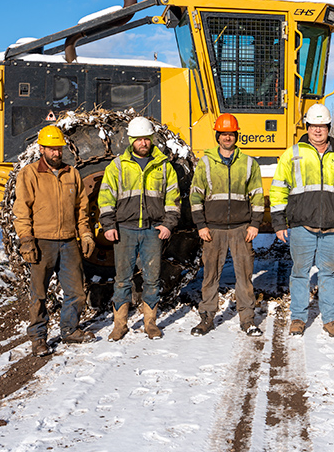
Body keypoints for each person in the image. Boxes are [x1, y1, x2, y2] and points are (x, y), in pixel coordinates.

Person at [270, 104, 334, 338]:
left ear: (329, 128)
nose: (317, 130)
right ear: (307, 127)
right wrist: (279, 223)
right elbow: (278, 188)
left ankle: (330, 319)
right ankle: (298, 318)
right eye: (313, 126)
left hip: (333, 227)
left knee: (329, 273)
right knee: (300, 273)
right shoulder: (293, 153)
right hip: (302, 226)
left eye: (322, 126)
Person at [13, 125, 97, 357]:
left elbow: (82, 207)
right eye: (52, 149)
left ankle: (70, 330)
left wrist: (86, 233)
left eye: (59, 149)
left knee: (77, 292)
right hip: (42, 242)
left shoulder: (72, 173)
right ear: (41, 149)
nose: (57, 153)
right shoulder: (29, 174)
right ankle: (38, 338)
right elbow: (21, 210)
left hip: (69, 242)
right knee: (39, 294)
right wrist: (26, 240)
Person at [98, 116, 180, 341]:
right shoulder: (117, 166)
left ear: (152, 139)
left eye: (147, 139)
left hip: (153, 231)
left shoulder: (163, 166)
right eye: (139, 139)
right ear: (131, 140)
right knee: (122, 279)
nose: (144, 143)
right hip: (125, 230)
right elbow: (106, 197)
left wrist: (168, 225)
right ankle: (120, 325)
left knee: (152, 278)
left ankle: (150, 323)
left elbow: (173, 198)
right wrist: (108, 225)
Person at [189, 113, 265, 337]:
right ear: (217, 136)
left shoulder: (249, 163)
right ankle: (207, 318)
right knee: (210, 276)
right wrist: (201, 225)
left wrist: (255, 224)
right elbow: (195, 197)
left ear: (236, 136)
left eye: (231, 134)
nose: (227, 138)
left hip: (242, 229)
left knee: (244, 277)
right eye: (223, 134)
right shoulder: (205, 162)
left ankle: (248, 320)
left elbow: (258, 197)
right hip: (213, 229)